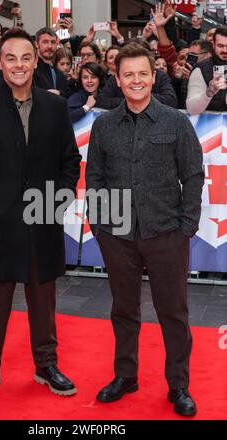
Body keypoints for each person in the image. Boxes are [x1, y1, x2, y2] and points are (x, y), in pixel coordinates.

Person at [0, 28, 81, 401]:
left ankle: (46, 364)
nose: (19, 65)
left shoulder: (55, 107)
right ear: (1, 64)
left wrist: (59, 198)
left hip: (43, 219)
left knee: (43, 300)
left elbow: (69, 160)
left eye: (26, 57)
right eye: (11, 58)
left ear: (36, 60)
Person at [86, 44, 204, 416]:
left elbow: (193, 175)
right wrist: (101, 225)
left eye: (142, 74)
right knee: (123, 310)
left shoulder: (176, 122)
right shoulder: (104, 125)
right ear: (117, 80)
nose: (136, 81)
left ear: (153, 77)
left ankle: (179, 385)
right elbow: (95, 179)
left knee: (173, 312)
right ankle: (126, 376)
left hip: (167, 232)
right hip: (117, 236)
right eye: (128, 75)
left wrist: (187, 225)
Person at [187, 27, 227, 114]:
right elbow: (191, 109)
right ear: (213, 45)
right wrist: (208, 93)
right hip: (209, 125)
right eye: (220, 46)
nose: (225, 50)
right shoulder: (201, 69)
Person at [33, 27, 69, 97]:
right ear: (37, 44)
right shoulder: (32, 69)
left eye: (53, 42)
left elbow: (66, 95)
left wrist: (59, 93)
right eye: (45, 42)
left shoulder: (60, 73)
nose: (49, 46)